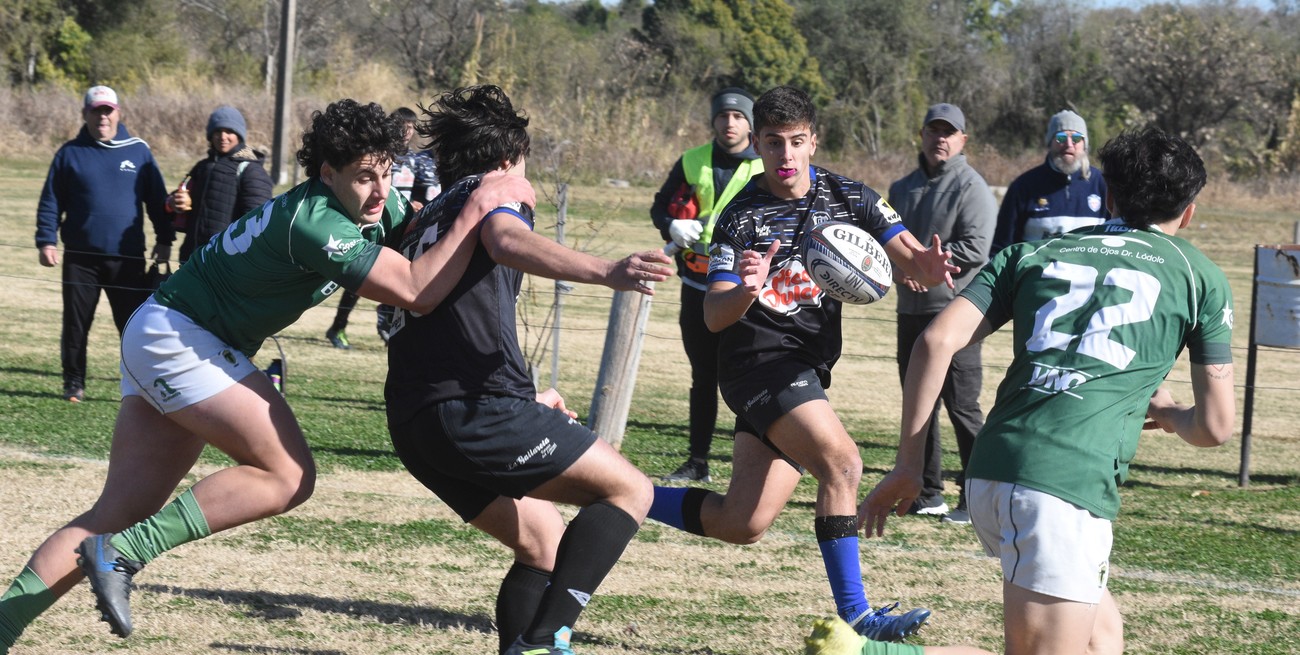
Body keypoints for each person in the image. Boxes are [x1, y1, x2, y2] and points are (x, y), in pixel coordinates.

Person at [0, 99, 533, 653]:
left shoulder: (374, 205)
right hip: (181, 339)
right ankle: (122, 553)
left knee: (115, 513)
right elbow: (418, 290)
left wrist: (511, 382)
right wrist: (481, 205)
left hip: (164, 331)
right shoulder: (315, 220)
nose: (380, 192)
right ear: (327, 174)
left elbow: (429, 244)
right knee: (288, 476)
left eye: (386, 173)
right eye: (363, 178)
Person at [861, 127, 1236, 655]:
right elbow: (1216, 429)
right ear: (1190, 210)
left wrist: (908, 464)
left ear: (1108, 194)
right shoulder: (1201, 276)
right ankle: (866, 653)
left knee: (1101, 640)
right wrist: (1173, 413)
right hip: (1062, 488)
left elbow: (935, 341)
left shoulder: (1034, 252)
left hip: (992, 474)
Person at [646, 86, 959, 642]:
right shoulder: (740, 217)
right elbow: (716, 316)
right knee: (841, 463)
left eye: (796, 142)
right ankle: (858, 614)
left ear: (814, 141)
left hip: (807, 370)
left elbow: (910, 257)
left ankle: (623, 492)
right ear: (758, 146)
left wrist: (930, 267)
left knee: (740, 522)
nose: (785, 156)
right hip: (756, 365)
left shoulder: (851, 196)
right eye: (773, 143)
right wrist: (746, 288)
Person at [383, 85, 674, 655]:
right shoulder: (502, 185)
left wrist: (522, 392)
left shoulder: (427, 218)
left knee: (542, 542)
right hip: (474, 406)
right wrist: (607, 269)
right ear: (508, 155)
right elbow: (507, 237)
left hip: (415, 422)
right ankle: (546, 639)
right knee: (629, 490)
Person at [887, 103, 995, 523]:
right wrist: (902, 270)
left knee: (962, 406)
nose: (940, 139)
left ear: (963, 140)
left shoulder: (972, 186)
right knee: (919, 405)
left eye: (949, 132)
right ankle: (927, 492)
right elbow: (883, 242)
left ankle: (977, 498)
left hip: (956, 314)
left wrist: (925, 267)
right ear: (922, 135)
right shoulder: (901, 187)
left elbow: (976, 248)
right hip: (909, 311)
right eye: (933, 130)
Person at [649, 87, 764, 482]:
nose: (729, 123)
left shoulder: (768, 163)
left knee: (748, 377)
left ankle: (753, 467)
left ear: (750, 123)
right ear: (713, 121)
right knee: (702, 376)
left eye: (737, 116)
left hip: (744, 290)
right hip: (696, 283)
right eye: (722, 116)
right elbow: (660, 205)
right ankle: (698, 461)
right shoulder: (692, 160)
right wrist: (671, 224)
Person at [35, 85, 174, 402]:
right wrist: (46, 240)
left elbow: (156, 202)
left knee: (133, 327)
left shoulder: (138, 151)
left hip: (126, 260)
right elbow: (51, 202)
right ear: (85, 114)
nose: (103, 117)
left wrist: (164, 239)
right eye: (96, 110)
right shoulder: (69, 153)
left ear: (118, 113)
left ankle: (143, 384)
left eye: (108, 110)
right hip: (80, 259)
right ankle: (73, 383)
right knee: (75, 324)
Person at [326, 106, 438, 349]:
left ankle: (388, 321)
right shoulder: (381, 155)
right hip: (373, 220)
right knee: (358, 277)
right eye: (402, 127)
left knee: (400, 276)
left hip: (400, 226)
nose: (406, 132)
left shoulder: (417, 161)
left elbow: (422, 190)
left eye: (410, 128)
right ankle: (339, 325)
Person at [993, 109, 1108, 254]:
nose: (1069, 144)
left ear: (1085, 145)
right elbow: (1001, 248)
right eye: (1061, 137)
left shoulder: (1104, 185)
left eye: (1076, 138)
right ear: (1049, 142)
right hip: (1036, 275)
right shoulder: (1023, 186)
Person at [170, 105, 275, 264]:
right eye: (217, 131)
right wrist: (173, 202)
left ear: (239, 135)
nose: (222, 136)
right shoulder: (202, 167)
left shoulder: (251, 170)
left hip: (227, 265)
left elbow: (258, 224)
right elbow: (176, 201)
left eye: (229, 131)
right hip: (192, 260)